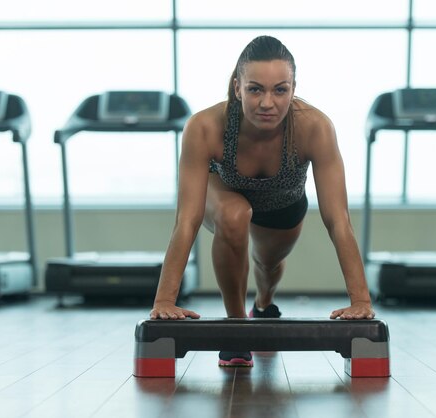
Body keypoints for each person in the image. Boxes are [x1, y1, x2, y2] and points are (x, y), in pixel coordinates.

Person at [149, 35, 375, 367]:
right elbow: (187, 219)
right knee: (234, 214)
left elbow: (339, 220)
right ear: (237, 86)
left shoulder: (315, 127)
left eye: (279, 90)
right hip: (224, 191)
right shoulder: (205, 127)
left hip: (283, 206)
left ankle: (263, 303)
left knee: (267, 268)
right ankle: (237, 327)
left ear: (293, 88)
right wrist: (165, 300)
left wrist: (361, 301)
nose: (267, 102)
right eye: (255, 89)